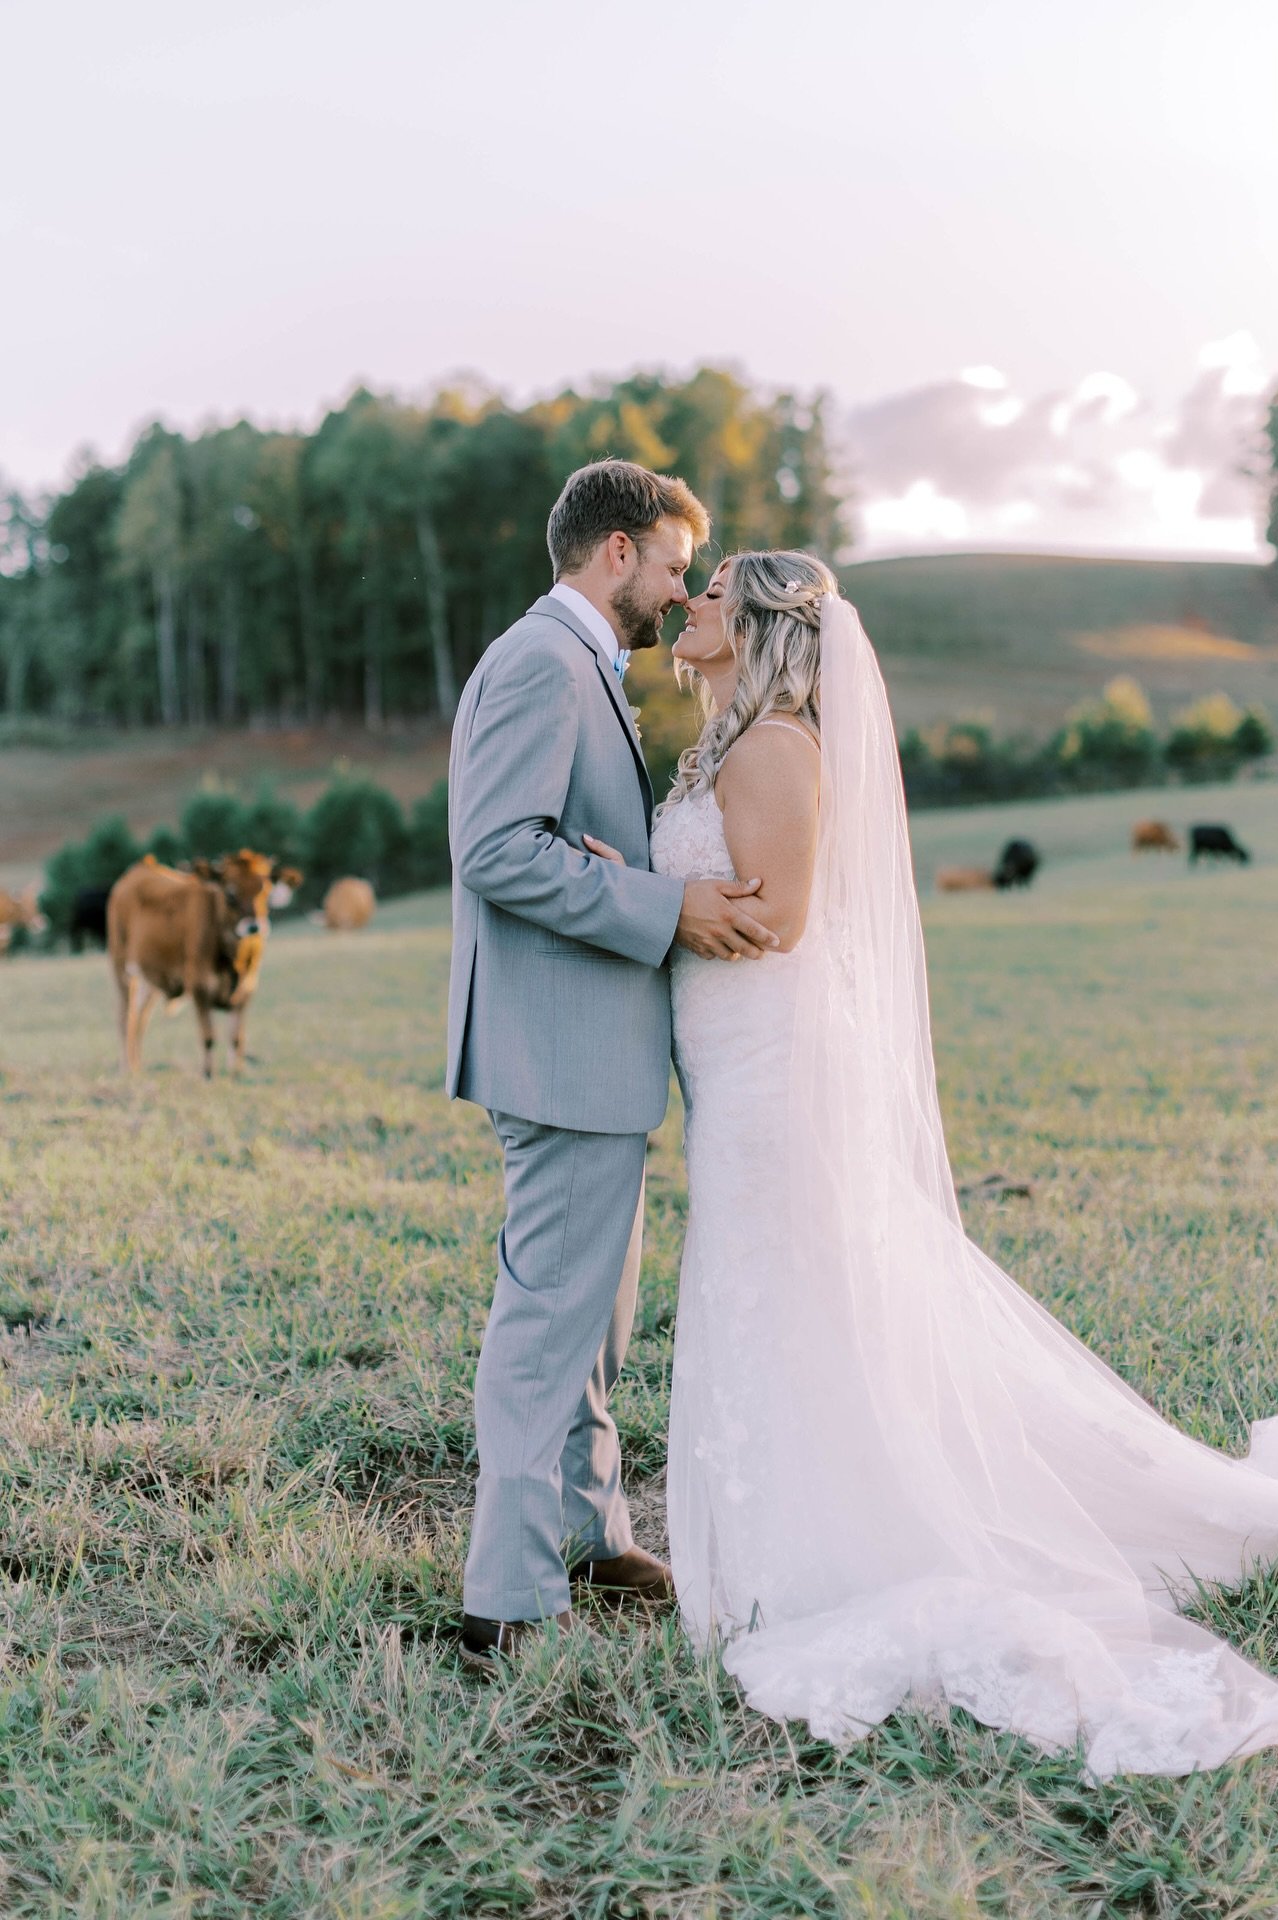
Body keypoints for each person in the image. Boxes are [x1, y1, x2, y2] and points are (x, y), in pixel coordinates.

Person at [591, 548, 1278, 1778]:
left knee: (791, 1287)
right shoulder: (726, 743)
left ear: (767, 626)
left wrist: (631, 895)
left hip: (774, 1071)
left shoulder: (777, 745)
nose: (692, 602)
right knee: (772, 1290)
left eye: (716, 589)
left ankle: (835, 1533)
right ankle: (796, 1517)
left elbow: (773, 921)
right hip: (733, 1070)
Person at [445, 461, 779, 1666]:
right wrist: (663, 904)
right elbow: (497, 849)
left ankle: (589, 1532)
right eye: (676, 567)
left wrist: (629, 869)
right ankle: (508, 1599)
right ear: (620, 552)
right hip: (561, 1044)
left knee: (594, 1317)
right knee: (549, 1323)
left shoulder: (579, 662)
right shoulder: (544, 659)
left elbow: (548, 839)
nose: (679, 592)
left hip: (581, 1043)